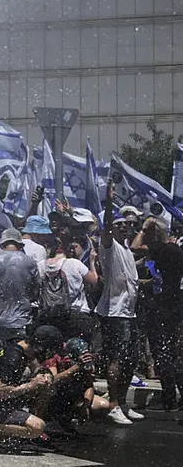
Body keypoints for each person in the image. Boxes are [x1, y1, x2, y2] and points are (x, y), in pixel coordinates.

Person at [0, 325, 64, 455]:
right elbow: (0, 392)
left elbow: (34, 364)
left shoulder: (22, 345)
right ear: (41, 347)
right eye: (50, 350)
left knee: (43, 389)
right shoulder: (13, 359)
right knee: (37, 427)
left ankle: (15, 432)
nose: (51, 355)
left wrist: (43, 372)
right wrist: (30, 385)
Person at [95, 182, 143, 425]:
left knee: (131, 359)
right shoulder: (109, 246)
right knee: (116, 358)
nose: (125, 228)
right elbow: (105, 229)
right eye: (120, 225)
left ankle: (122, 402)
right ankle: (113, 404)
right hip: (114, 313)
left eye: (128, 225)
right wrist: (109, 202)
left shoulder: (125, 248)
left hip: (129, 313)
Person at [131, 216, 183, 410]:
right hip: (173, 306)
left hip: (164, 310)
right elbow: (161, 281)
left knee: (162, 353)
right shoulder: (173, 251)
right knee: (171, 353)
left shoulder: (164, 248)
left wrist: (144, 229)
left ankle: (169, 398)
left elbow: (134, 247)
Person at [0, 229, 41, 343]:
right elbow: (36, 291)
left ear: (2, 244)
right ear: (20, 245)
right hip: (23, 320)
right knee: (21, 354)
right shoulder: (30, 262)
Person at [35, 242, 98, 342]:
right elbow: (94, 281)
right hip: (76, 315)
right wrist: (92, 262)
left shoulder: (41, 265)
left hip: (49, 315)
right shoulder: (74, 263)